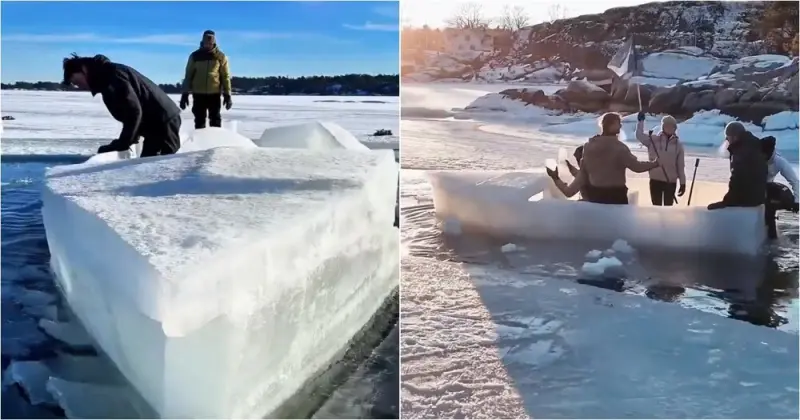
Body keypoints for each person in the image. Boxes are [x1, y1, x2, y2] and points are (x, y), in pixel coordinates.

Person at [62, 54, 181, 157]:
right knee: (148, 164)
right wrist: (130, 138)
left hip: (163, 122)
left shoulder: (112, 76)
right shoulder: (106, 78)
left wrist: (123, 143)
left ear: (83, 69)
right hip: (155, 125)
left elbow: (133, 112)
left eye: (76, 81)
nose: (79, 86)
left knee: (161, 166)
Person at [546, 112, 660, 204]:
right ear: (611, 125)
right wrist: (655, 163)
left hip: (596, 198)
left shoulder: (588, 148)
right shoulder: (619, 148)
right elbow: (637, 167)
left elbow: (572, 189)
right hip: (616, 198)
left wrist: (556, 178)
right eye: (618, 123)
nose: (621, 126)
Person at [707, 122, 771, 235]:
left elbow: (738, 177)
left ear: (734, 136)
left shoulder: (741, 150)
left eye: (727, 137)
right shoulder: (754, 145)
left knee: (713, 209)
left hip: (748, 198)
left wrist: (727, 201)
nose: (726, 140)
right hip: (759, 196)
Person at [180, 30, 233, 129]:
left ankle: (216, 138)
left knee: (215, 119)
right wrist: (185, 94)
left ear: (214, 43)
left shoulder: (220, 57)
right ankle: (200, 138)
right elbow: (188, 76)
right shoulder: (195, 56)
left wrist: (227, 95)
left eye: (210, 43)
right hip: (198, 94)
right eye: (206, 43)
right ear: (202, 42)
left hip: (214, 94)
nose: (208, 45)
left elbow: (225, 76)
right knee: (199, 120)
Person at [635, 112, 686, 206]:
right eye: (667, 126)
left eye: (672, 126)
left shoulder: (678, 145)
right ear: (663, 127)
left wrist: (682, 183)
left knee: (668, 208)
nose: (669, 128)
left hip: (670, 182)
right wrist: (640, 121)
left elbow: (680, 166)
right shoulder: (653, 140)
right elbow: (639, 135)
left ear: (675, 128)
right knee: (656, 207)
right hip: (655, 180)